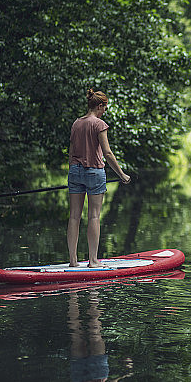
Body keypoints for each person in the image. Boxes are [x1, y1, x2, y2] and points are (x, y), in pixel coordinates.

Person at [68, 89, 131, 267]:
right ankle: (93, 261)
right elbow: (108, 153)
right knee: (94, 216)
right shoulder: (99, 124)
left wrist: (73, 170)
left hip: (75, 171)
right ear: (100, 105)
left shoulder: (76, 123)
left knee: (74, 217)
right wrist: (122, 175)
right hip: (94, 172)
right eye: (105, 107)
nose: (105, 111)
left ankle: (73, 261)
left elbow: (71, 152)